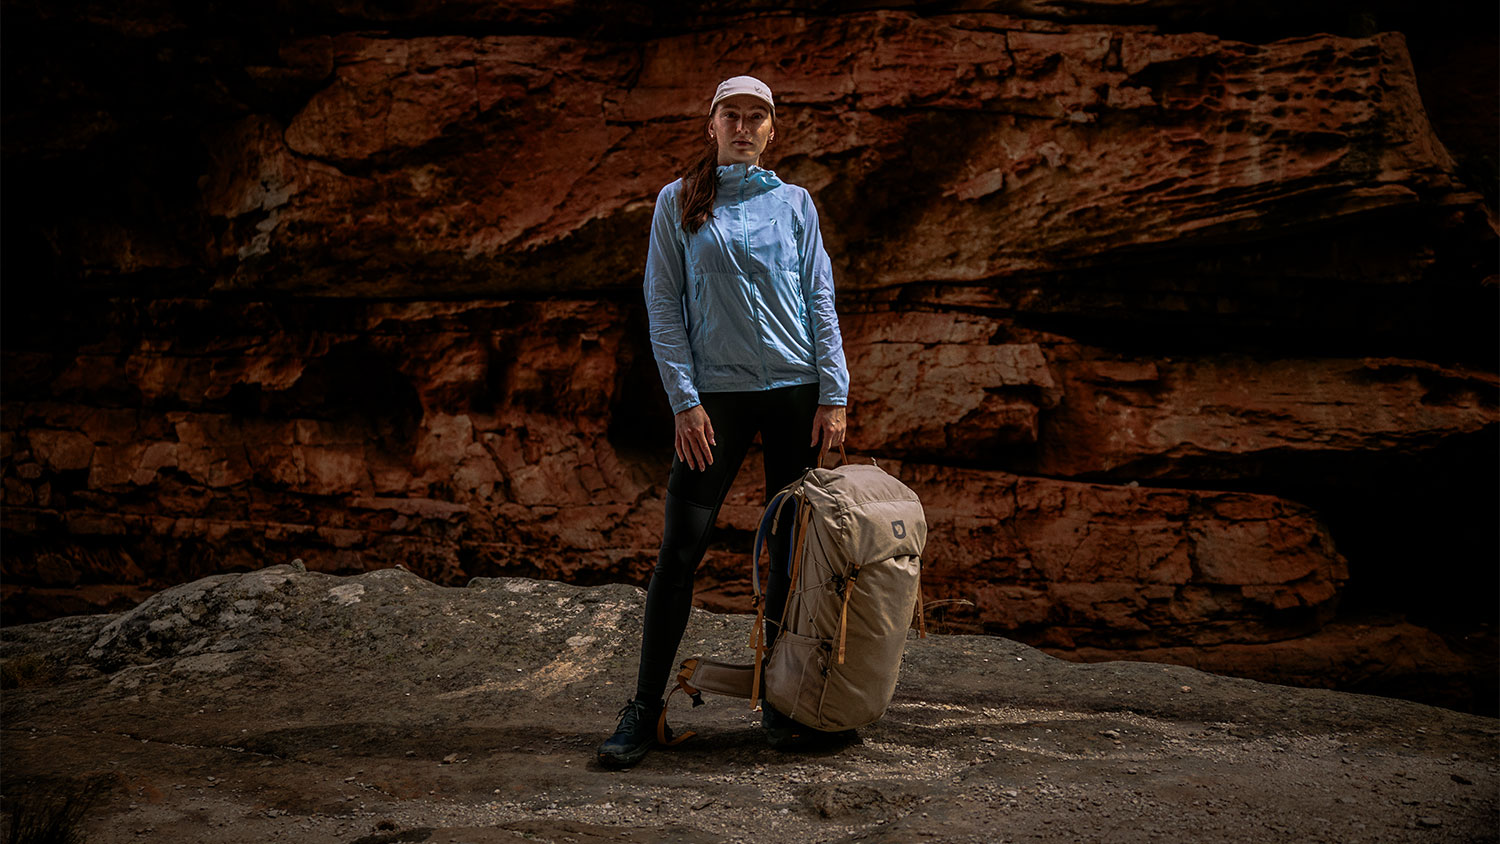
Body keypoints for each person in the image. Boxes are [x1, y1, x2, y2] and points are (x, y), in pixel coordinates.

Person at [597, 75, 850, 769]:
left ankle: (783, 703)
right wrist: (683, 400)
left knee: (791, 560)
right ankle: (644, 709)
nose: (743, 126)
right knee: (680, 551)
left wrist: (836, 395)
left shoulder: (795, 204)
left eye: (756, 117)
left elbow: (820, 299)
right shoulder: (678, 202)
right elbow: (663, 304)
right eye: (731, 115)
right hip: (717, 401)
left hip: (796, 394)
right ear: (711, 125)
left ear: (773, 130)